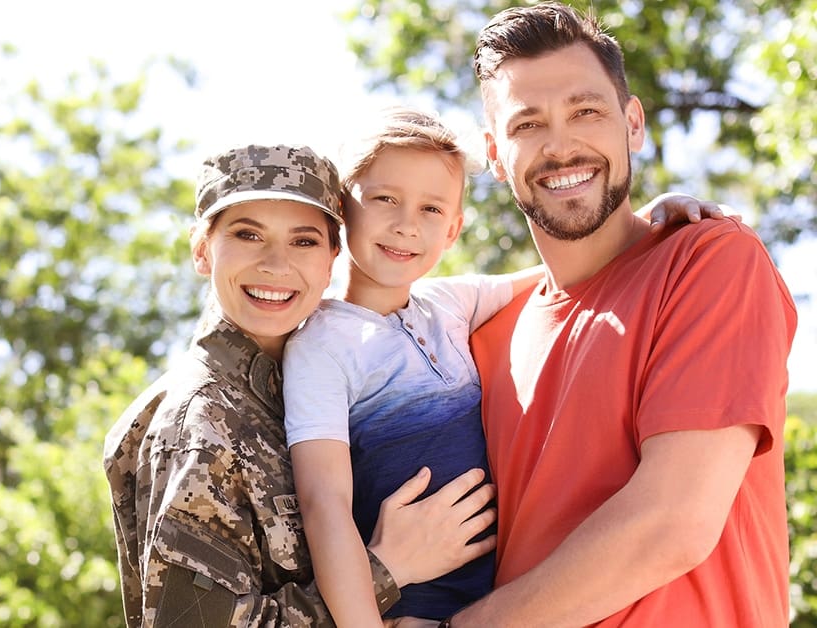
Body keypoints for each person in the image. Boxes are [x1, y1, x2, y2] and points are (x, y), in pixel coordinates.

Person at [282, 106, 728, 626]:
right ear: (342, 210)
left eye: (431, 210)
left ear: (453, 230)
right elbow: (324, 505)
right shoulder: (319, 344)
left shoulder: (447, 302)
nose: (406, 225)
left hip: (503, 600)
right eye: (385, 199)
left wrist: (652, 221)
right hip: (415, 613)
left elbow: (572, 266)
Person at [437, 3, 798, 626]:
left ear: (632, 123)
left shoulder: (708, 262)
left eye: (586, 112)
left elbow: (673, 524)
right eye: (527, 125)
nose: (560, 144)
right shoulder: (481, 334)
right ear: (496, 156)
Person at [103, 143, 500, 627]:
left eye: (304, 241)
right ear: (203, 250)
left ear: (333, 254)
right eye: (248, 234)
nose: (276, 264)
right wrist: (387, 569)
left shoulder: (305, 377)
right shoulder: (199, 420)